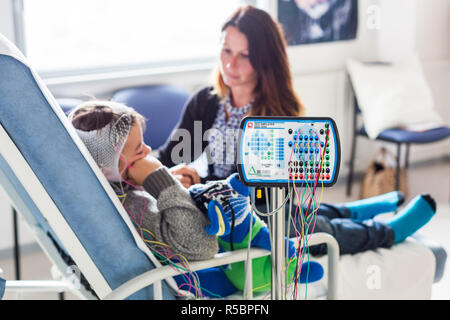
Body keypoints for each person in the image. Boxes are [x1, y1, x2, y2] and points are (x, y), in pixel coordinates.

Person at [156, 4, 437, 259]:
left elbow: (269, 197)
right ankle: (353, 211)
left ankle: (386, 233)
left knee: (312, 230)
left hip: (267, 207)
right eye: (226, 50)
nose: (231, 64)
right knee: (305, 217)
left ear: (266, 60)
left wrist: (207, 185)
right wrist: (181, 175)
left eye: (245, 55)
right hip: (223, 204)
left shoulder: (279, 113)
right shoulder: (206, 101)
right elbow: (171, 156)